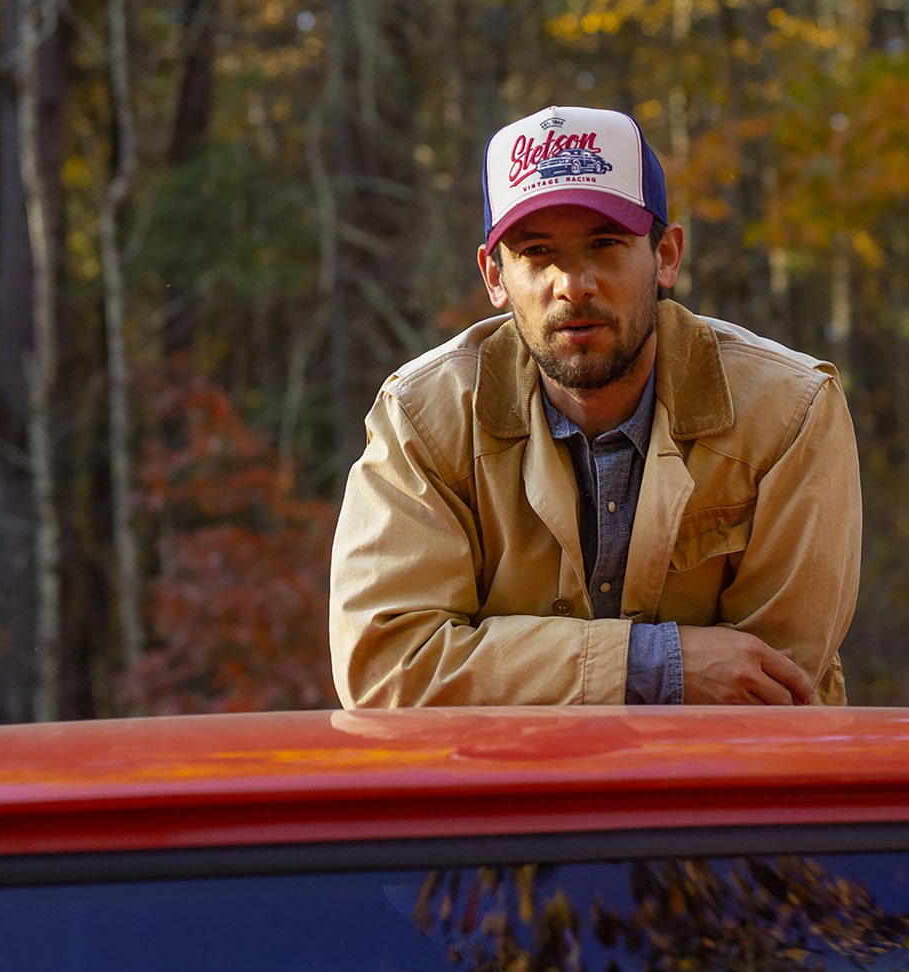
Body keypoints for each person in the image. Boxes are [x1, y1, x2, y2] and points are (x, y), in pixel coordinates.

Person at [329, 104, 861, 707]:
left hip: (724, 771)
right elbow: (387, 669)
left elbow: (774, 686)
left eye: (605, 244)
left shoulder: (788, 410)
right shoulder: (425, 420)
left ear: (666, 256)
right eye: (536, 252)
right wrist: (652, 665)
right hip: (505, 771)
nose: (572, 285)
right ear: (494, 276)